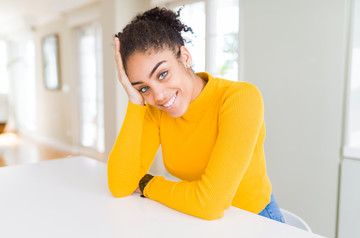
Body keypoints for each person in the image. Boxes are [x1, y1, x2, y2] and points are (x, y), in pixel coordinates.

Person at [107, 6, 284, 223]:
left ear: (184, 56)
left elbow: (209, 204)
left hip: (256, 221)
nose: (159, 95)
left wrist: (147, 184)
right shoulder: (154, 109)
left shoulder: (240, 98)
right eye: (143, 87)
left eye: (162, 74)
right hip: (196, 221)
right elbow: (120, 184)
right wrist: (135, 103)